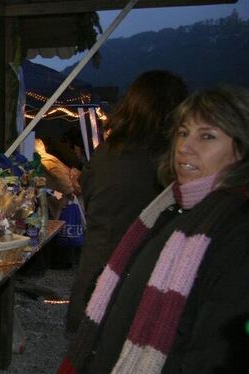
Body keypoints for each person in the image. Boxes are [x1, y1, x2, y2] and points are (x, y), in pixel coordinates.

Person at [59, 85, 249, 373]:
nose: (185, 146)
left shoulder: (235, 229)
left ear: (241, 150)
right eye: (183, 133)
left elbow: (215, 350)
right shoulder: (169, 204)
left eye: (207, 136)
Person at [66, 70, 188, 333]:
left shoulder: (106, 153)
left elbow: (91, 195)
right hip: (142, 284)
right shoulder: (169, 161)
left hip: (95, 277)